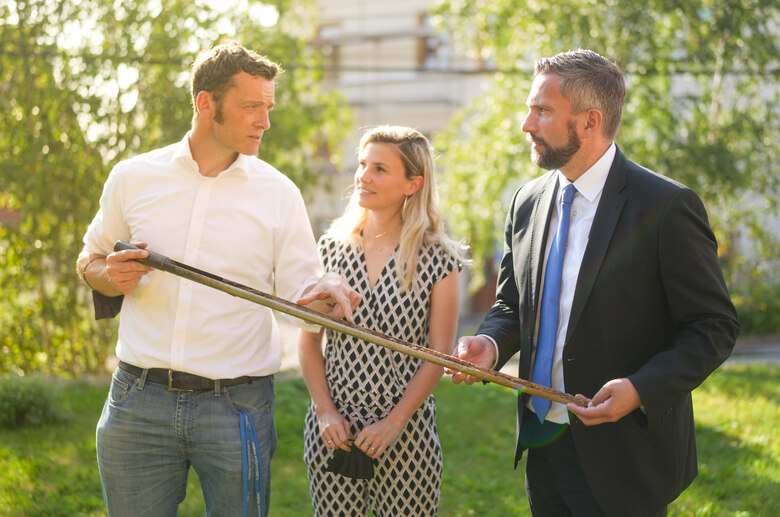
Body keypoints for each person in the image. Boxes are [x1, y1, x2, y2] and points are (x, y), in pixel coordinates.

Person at [449, 49, 739, 517]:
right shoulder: (527, 202)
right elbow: (513, 304)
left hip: (626, 455)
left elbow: (714, 327)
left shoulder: (666, 206)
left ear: (589, 122)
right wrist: (490, 343)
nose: (526, 124)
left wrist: (641, 389)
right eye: (529, 109)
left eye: (542, 111)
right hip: (543, 446)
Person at [76, 40, 360, 517]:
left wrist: (326, 295)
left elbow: (303, 294)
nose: (264, 121)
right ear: (206, 104)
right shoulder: (132, 177)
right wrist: (109, 274)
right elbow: (91, 260)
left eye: (267, 108)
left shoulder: (279, 193)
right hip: (136, 404)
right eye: (251, 107)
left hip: (238, 407)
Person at [298, 125, 469, 516]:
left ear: (413, 184)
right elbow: (308, 340)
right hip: (334, 430)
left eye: (379, 169)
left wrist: (394, 422)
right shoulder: (331, 249)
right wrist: (325, 411)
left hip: (406, 432)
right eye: (362, 164)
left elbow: (438, 354)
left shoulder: (439, 258)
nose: (363, 176)